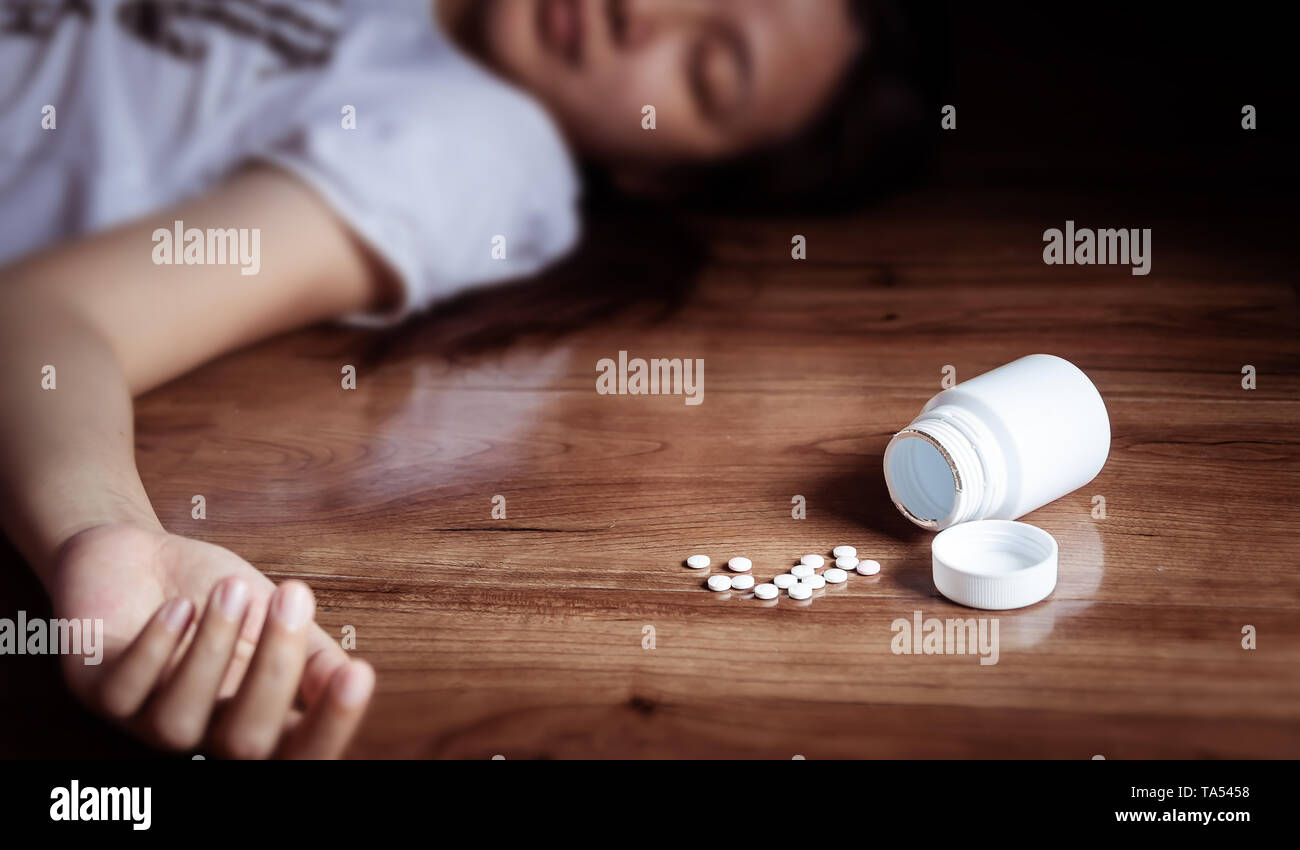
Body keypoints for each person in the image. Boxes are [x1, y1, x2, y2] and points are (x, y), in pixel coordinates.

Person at [0, 0, 932, 758]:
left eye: (708, 70)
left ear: (661, 175)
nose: (641, 14)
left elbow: (40, 317)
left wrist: (103, 528)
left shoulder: (480, 142)